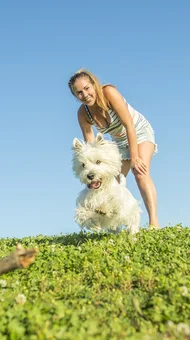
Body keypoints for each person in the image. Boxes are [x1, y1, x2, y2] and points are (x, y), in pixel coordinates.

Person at [68, 69, 160, 228]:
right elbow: (91, 147)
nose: (85, 94)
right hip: (119, 141)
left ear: (94, 84)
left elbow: (129, 124)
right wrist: (92, 174)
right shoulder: (83, 113)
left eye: (87, 88)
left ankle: (154, 223)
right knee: (112, 181)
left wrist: (135, 157)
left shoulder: (109, 93)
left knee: (139, 171)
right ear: (76, 96)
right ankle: (114, 224)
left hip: (138, 132)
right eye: (79, 93)